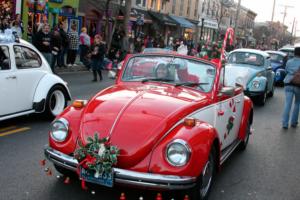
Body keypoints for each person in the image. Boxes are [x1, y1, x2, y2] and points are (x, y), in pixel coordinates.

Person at [282, 46, 300, 129]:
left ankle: (285, 124)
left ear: (294, 53)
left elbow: (285, 71)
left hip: (288, 83)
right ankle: (293, 122)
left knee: (287, 104)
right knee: (297, 103)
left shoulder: (289, 61)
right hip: (298, 85)